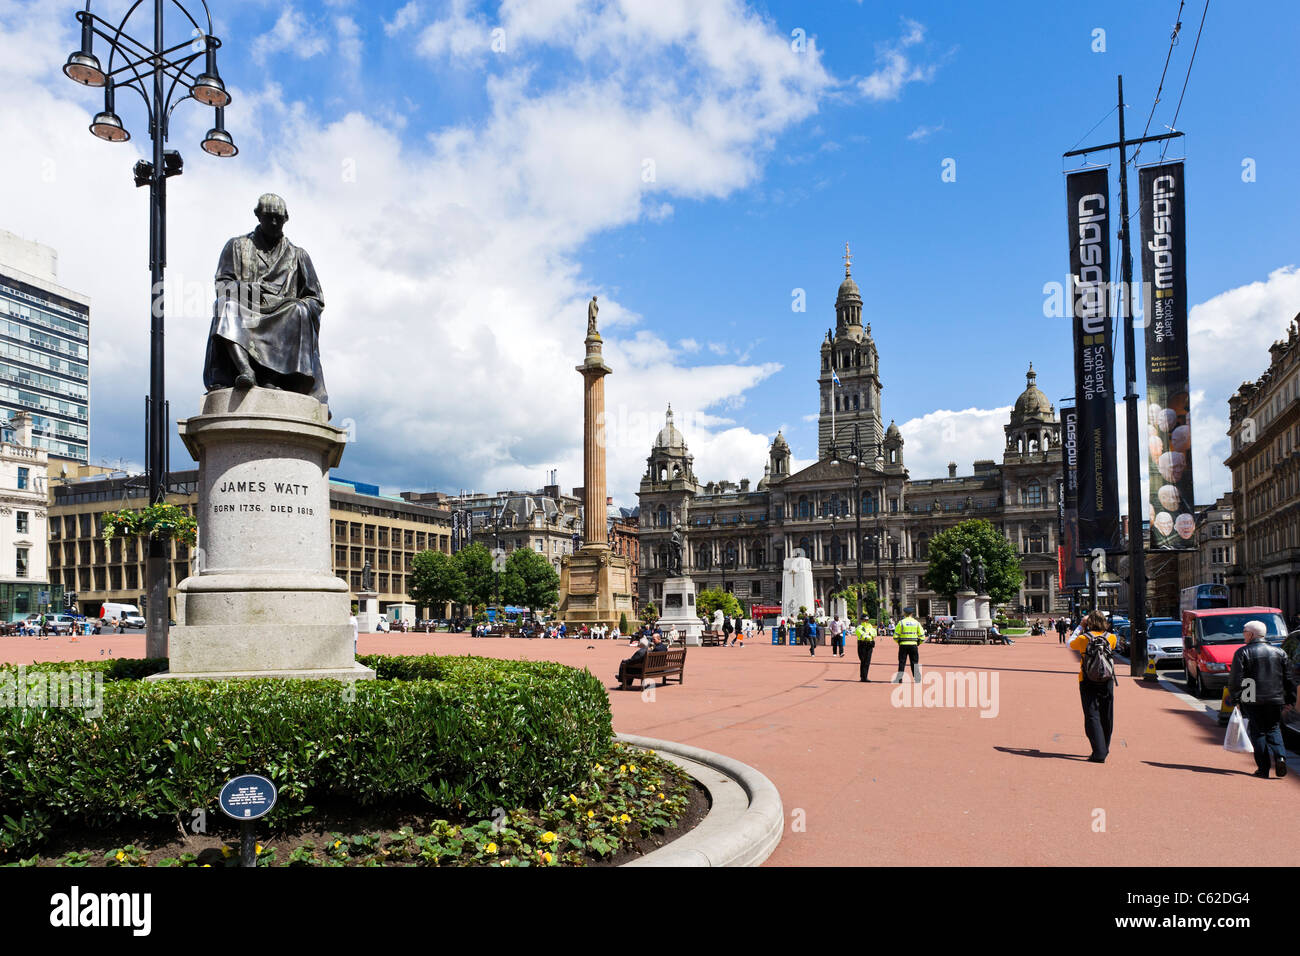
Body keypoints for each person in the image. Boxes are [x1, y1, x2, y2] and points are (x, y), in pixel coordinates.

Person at [1229, 620, 1296, 778]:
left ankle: (1263, 768)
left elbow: (1236, 679)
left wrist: (1236, 698)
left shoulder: (1242, 652)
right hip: (1276, 697)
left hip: (1251, 695)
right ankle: (1280, 756)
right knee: (1274, 728)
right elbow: (1289, 678)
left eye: (1244, 631)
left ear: (1251, 634)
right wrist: (1290, 700)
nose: (1243, 634)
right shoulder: (1279, 652)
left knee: (1258, 731)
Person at [1069, 611, 1118, 763]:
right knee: (1106, 714)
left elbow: (1070, 643)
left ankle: (1099, 752)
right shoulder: (1111, 637)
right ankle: (1105, 747)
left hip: (1087, 679)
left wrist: (1080, 626)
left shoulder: (1083, 638)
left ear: (1089, 623)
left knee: (1092, 715)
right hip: (1107, 680)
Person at [893, 607, 925, 682]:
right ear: (912, 614)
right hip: (913, 645)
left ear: (905, 613)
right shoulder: (916, 623)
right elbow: (922, 635)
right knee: (914, 662)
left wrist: (899, 642)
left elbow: (895, 636)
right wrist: (918, 643)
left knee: (902, 662)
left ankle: (899, 679)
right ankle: (917, 678)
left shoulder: (901, 622)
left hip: (903, 645)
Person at [854, 616, 877, 682]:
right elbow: (862, 635)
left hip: (870, 645)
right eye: (864, 620)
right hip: (862, 645)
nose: (866, 621)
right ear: (862, 620)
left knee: (867, 662)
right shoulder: (859, 627)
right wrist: (869, 635)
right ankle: (863, 677)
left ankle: (865, 677)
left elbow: (874, 633)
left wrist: (869, 634)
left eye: (867, 620)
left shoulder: (870, 626)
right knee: (863, 661)